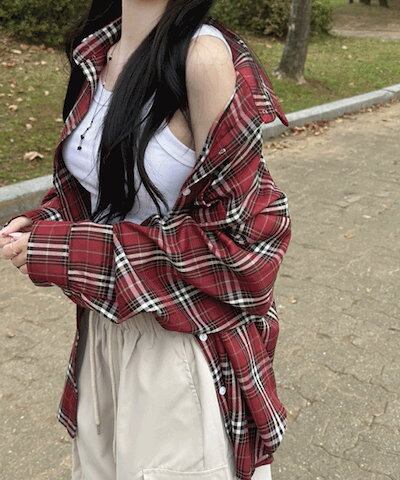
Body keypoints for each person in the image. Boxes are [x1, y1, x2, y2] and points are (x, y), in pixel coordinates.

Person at [0, 1, 292, 479]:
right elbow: (98, 188)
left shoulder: (202, 58)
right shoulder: (99, 49)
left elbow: (243, 250)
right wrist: (45, 220)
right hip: (101, 334)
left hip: (179, 350)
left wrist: (68, 251)